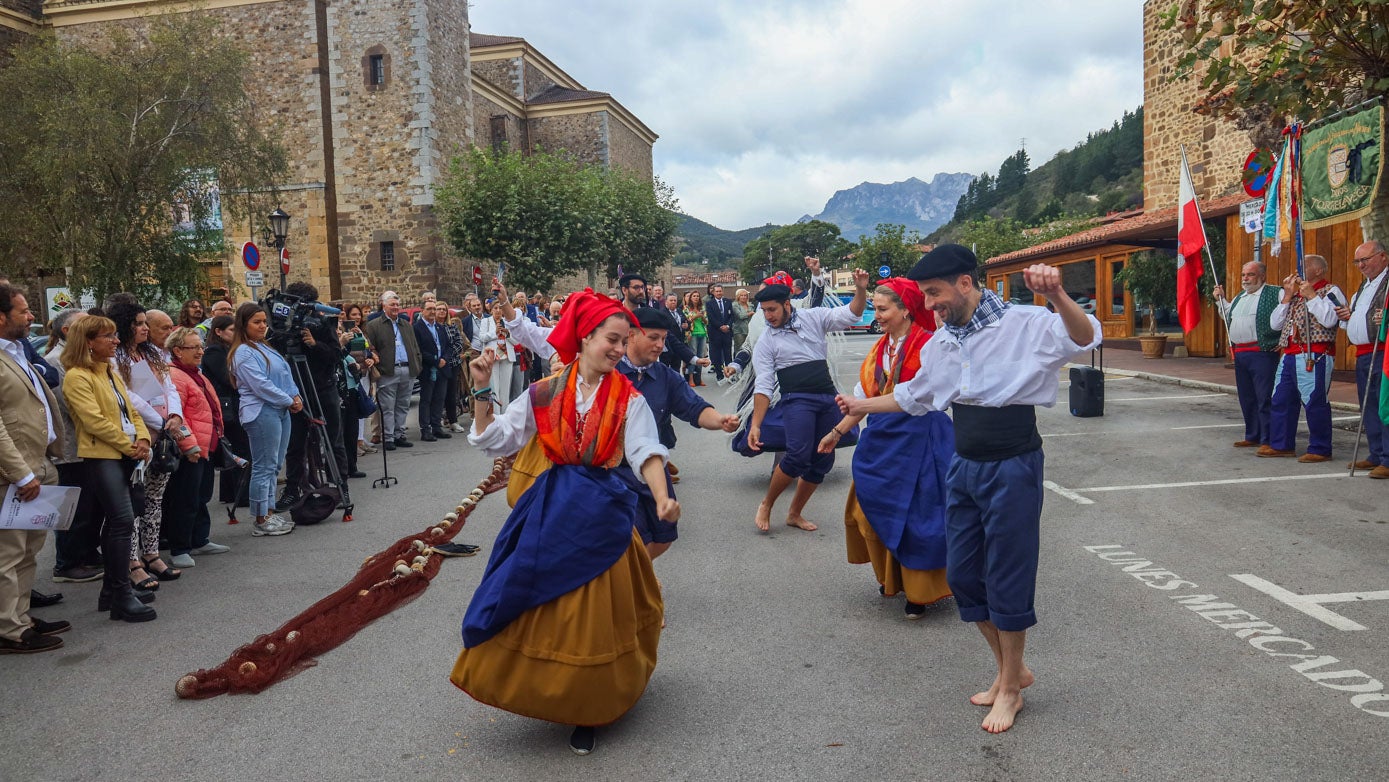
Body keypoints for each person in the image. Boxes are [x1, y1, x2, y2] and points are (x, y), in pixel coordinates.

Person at [838, 244, 1101, 733]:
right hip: (964, 464)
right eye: (924, 296)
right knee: (961, 575)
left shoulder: (1025, 323)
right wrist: (861, 406)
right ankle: (1012, 669)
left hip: (1013, 462)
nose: (930, 304)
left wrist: (1060, 295)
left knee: (1007, 572)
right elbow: (917, 397)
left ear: (964, 283)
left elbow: (1085, 339)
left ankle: (1009, 689)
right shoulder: (943, 342)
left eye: (935, 293)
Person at [450, 289, 675, 756]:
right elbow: (493, 439)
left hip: (604, 514)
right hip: (551, 508)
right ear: (586, 336)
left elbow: (645, 451)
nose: (619, 348)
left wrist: (660, 496)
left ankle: (589, 708)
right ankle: (540, 689)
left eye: (624, 340)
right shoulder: (544, 392)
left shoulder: (628, 399)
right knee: (536, 602)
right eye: (612, 339)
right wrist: (480, 389)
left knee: (592, 617)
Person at [820, 279, 950, 618]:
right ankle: (890, 578)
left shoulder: (928, 345)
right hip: (881, 442)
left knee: (917, 519)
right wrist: (837, 431)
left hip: (920, 442)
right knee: (867, 512)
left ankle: (920, 592)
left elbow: (922, 398)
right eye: (875, 309)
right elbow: (862, 401)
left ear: (905, 309)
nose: (875, 316)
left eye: (882, 309)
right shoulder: (879, 349)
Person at [748, 266, 868, 533]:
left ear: (786, 304)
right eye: (764, 311)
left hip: (826, 395)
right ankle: (767, 503)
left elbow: (852, 313)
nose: (768, 316)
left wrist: (860, 289)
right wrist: (756, 424)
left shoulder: (814, 317)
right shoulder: (766, 341)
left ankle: (794, 513)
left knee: (824, 459)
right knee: (798, 455)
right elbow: (764, 386)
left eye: (772, 310)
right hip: (796, 399)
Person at [60, 314, 157, 622]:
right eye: (108, 336)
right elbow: (93, 422)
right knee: (122, 520)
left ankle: (111, 592)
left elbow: (131, 410)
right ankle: (121, 595)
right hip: (102, 455)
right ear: (88, 342)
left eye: (115, 335)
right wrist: (130, 445)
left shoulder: (108, 371)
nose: (116, 341)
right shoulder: (77, 376)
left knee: (115, 522)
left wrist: (142, 438)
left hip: (124, 452)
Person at [0, 283, 71, 652]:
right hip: (14, 475)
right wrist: (21, 473)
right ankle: (8, 630)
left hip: (38, 463)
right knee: (8, 555)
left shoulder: (16, 351)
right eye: (23, 311)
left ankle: (20, 616)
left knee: (29, 551)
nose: (31, 317)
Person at [107, 298, 194, 589]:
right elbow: (129, 398)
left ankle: (152, 553)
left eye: (146, 323)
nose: (145, 328)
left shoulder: (153, 354)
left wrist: (175, 415)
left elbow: (170, 387)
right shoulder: (114, 357)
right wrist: (158, 423)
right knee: (134, 499)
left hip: (164, 433)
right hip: (138, 436)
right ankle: (132, 561)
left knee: (155, 498)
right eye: (139, 323)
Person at [1262, 254, 1344, 462]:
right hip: (1289, 353)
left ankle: (1320, 448)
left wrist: (1312, 296)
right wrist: (1287, 297)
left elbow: (1330, 320)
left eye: (1304, 265)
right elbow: (1275, 325)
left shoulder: (1331, 291)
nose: (1299, 268)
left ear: (1318, 270)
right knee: (1281, 399)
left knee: (1314, 400)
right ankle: (1281, 444)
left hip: (1314, 354)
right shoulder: (1294, 296)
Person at [228, 302, 301, 537]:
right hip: (261, 411)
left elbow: (284, 374)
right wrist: (288, 400)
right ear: (244, 324)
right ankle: (261, 517)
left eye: (264, 321)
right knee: (264, 466)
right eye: (256, 322)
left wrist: (295, 394)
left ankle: (269, 510)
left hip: (279, 409)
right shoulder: (243, 352)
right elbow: (260, 385)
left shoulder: (265, 347)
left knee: (275, 464)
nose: (262, 326)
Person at [275, 282, 350, 509]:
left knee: (333, 440)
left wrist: (314, 344)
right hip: (295, 391)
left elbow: (336, 355)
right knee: (295, 444)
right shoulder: (281, 326)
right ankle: (292, 490)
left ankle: (340, 485)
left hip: (323, 388)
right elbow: (276, 351)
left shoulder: (322, 323)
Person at [164, 327, 228, 567]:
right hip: (191, 448)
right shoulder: (176, 376)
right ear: (178, 350)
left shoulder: (194, 373)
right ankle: (180, 547)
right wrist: (188, 445)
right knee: (185, 499)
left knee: (201, 496)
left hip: (205, 445)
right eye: (195, 348)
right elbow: (176, 416)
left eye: (201, 346)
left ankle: (200, 539)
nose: (201, 351)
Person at [1213, 262, 1282, 450]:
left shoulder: (1276, 293)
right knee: (1247, 397)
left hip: (1262, 352)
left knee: (1265, 397)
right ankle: (1253, 434)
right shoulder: (1240, 297)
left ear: (1262, 276)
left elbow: (1288, 314)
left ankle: (1268, 439)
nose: (1245, 279)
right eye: (1244, 274)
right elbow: (1229, 317)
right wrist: (1221, 300)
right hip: (1241, 353)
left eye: (1250, 275)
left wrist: (1283, 340)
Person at [1337, 241, 1389, 476]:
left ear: (1383, 257)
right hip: (1363, 354)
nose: (1361, 265)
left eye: (1365, 260)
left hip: (1383, 352)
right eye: (1357, 261)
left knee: (1384, 405)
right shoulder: (1364, 286)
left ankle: (1387, 459)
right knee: (1368, 405)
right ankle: (1376, 453)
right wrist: (1350, 315)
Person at [363, 291, 422, 450]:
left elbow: (415, 346)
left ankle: (399, 434)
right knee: (388, 407)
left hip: (407, 370)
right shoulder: (374, 325)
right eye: (392, 305)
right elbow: (370, 348)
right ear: (384, 305)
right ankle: (388, 438)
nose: (396, 307)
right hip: (388, 371)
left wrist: (417, 363)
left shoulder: (406, 324)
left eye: (397, 304)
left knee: (403, 405)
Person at [202, 314, 250, 508]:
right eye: (231, 330)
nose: (235, 333)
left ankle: (232, 492)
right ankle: (241, 493)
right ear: (218, 332)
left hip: (230, 403)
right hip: (227, 405)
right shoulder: (214, 351)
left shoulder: (228, 349)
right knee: (239, 448)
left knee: (235, 448)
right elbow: (227, 378)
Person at [412, 299, 450, 442]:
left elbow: (447, 345)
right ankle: (425, 429)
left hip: (442, 368)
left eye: (434, 308)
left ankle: (436, 427)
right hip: (428, 368)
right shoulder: (417, 328)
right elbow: (419, 349)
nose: (433, 312)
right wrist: (435, 361)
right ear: (422, 310)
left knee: (439, 399)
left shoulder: (439, 327)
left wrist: (444, 358)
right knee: (426, 400)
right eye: (429, 309)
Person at [437, 301, 467, 433]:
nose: (442, 311)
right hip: (437, 364)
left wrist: (447, 357)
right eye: (439, 309)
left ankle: (453, 420)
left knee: (451, 393)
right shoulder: (433, 327)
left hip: (452, 364)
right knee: (437, 394)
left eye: (444, 309)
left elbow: (459, 343)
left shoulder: (452, 326)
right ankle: (436, 421)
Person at [705, 284, 735, 384]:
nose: (719, 293)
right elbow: (711, 317)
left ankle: (730, 375)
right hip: (715, 332)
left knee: (728, 355)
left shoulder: (728, 302)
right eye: (717, 291)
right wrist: (720, 326)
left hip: (727, 332)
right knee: (716, 355)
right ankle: (719, 375)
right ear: (713, 292)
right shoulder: (709, 303)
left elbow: (731, 316)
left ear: (722, 291)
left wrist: (728, 326)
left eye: (720, 291)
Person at [684, 291, 707, 386]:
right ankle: (691, 378)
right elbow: (686, 321)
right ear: (691, 298)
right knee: (693, 356)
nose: (696, 298)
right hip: (692, 333)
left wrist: (702, 317)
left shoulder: (702, 308)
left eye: (698, 296)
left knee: (700, 356)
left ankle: (699, 378)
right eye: (694, 296)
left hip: (702, 333)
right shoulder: (686, 308)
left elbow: (706, 322)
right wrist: (695, 316)